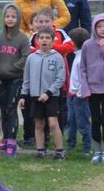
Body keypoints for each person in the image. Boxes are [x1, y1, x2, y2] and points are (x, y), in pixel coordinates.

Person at [23, 8, 75, 147]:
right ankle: (42, 143)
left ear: (53, 21)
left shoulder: (60, 33)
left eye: (47, 21)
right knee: (39, 119)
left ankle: (60, 144)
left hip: (57, 77)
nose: (44, 24)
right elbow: (31, 51)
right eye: (40, 21)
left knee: (58, 113)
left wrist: (52, 49)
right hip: (38, 83)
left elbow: (69, 47)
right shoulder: (34, 35)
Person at [77, 14, 104, 164]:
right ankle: (97, 152)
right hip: (92, 89)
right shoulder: (87, 45)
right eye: (99, 26)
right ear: (94, 27)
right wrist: (85, 88)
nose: (103, 30)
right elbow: (82, 68)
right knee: (95, 120)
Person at [21, 27, 67, 160]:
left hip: (51, 96)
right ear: (37, 40)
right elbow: (27, 78)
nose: (44, 40)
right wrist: (24, 95)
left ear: (53, 41)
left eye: (48, 38)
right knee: (38, 124)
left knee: (53, 123)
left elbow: (60, 78)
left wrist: (48, 92)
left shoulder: (57, 57)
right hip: (35, 96)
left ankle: (60, 151)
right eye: (41, 38)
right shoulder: (31, 58)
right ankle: (40, 150)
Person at [0, 3, 29, 158]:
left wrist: (13, 67)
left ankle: (12, 140)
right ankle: (4, 137)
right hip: (1, 78)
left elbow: (26, 57)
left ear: (18, 18)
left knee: (11, 108)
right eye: (7, 16)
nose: (10, 19)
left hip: (15, 78)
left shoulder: (22, 38)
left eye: (13, 16)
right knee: (2, 110)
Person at [65, 27, 92, 155]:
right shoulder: (77, 56)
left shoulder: (82, 58)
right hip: (72, 95)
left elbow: (83, 78)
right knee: (71, 120)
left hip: (80, 96)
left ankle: (87, 147)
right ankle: (71, 143)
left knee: (82, 122)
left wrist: (80, 94)